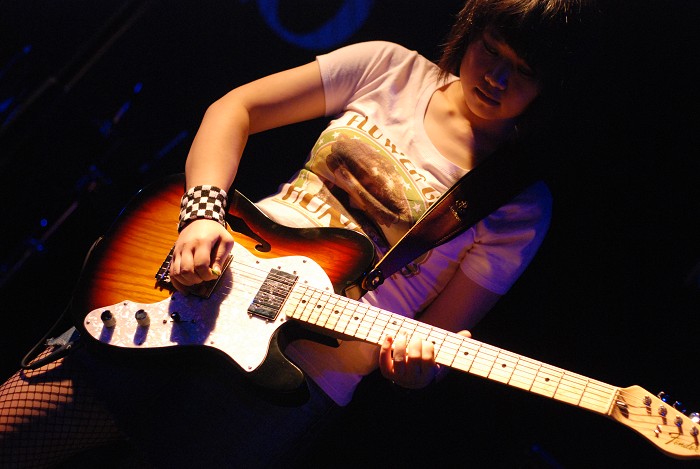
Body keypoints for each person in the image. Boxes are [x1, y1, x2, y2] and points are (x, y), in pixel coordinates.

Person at [0, 0, 599, 467]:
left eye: (523, 73)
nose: (496, 77)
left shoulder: (521, 203)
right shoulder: (389, 68)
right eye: (491, 50)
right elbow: (235, 109)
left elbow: (435, 337)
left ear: (550, 87)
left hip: (286, 387)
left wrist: (418, 371)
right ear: (471, 29)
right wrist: (203, 214)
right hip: (195, 293)